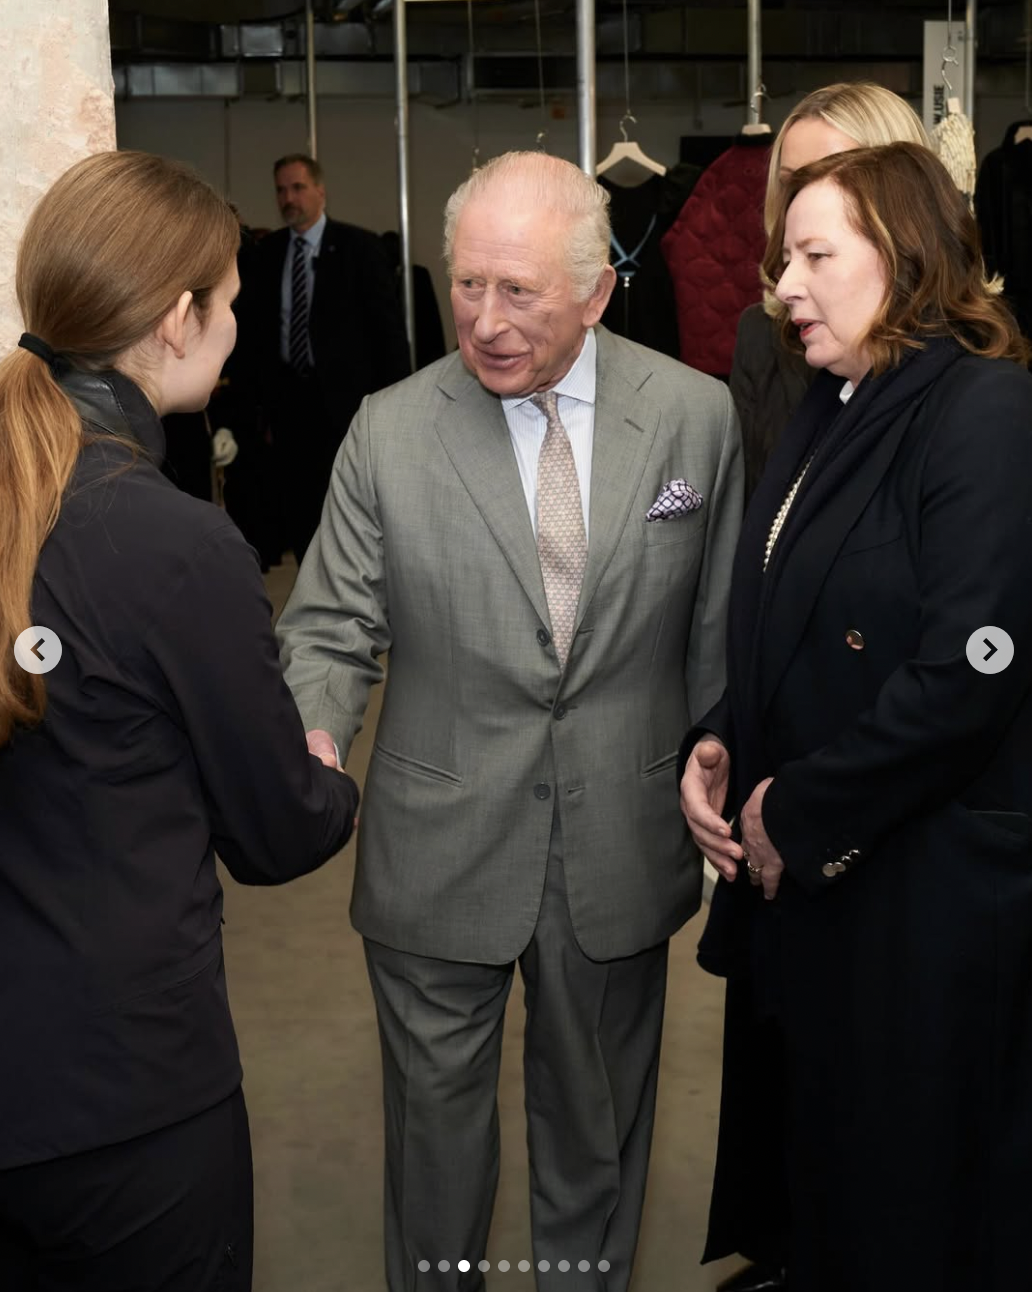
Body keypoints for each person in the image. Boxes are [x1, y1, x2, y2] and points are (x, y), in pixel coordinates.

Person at [277, 150, 743, 1291]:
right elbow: (331, 625)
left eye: (518, 291)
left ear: (595, 290)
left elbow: (720, 631)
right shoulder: (388, 430)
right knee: (436, 1147)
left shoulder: (694, 418)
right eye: (466, 283)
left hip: (621, 842)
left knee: (597, 1130)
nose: (483, 321)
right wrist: (316, 734)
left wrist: (729, 749)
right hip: (437, 843)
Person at [0, 151, 358, 1290]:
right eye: (234, 304)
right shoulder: (173, 542)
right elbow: (277, 831)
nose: (239, 328)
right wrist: (319, 759)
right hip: (128, 1094)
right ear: (176, 317)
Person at [680, 142, 1032, 1292]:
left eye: (815, 254)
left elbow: (970, 670)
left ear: (905, 257)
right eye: (787, 258)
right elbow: (786, 601)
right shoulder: (836, 400)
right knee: (829, 1176)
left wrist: (802, 803)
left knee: (913, 1199)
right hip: (823, 877)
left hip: (922, 887)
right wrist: (725, 738)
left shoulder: (983, 409)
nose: (783, 284)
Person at [731, 83, 930, 502]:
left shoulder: (974, 379)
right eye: (791, 183)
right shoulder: (762, 335)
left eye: (830, 174)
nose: (803, 198)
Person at [233, 153, 410, 563]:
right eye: (280, 190)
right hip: (286, 406)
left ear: (320, 191)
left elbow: (388, 337)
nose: (288, 198)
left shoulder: (358, 249)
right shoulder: (266, 253)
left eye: (297, 187)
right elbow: (253, 338)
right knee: (297, 507)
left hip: (344, 405)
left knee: (347, 504)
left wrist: (395, 410)